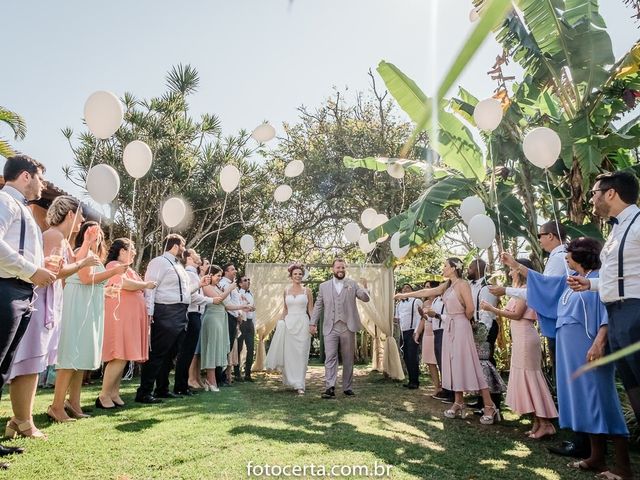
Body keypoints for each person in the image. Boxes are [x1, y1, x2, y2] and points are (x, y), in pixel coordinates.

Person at [506, 240, 632, 480]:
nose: (565, 257)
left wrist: (599, 342)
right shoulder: (571, 279)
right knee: (585, 401)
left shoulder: (599, 279)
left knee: (602, 400)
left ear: (582, 255)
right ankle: (596, 457)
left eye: (569, 253)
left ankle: (623, 467)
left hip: (590, 349)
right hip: (570, 352)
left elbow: (609, 311)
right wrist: (514, 265)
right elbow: (542, 284)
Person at [7, 196, 100, 438]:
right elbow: (53, 272)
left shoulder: (63, 240)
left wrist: (86, 249)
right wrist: (82, 264)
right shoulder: (54, 237)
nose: (81, 221)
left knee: (34, 364)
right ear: (70, 214)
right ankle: (22, 419)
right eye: (80, 216)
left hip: (51, 302)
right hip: (40, 304)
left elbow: (66, 269)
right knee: (29, 362)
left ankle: (20, 420)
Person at [569, 171, 640, 428]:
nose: (591, 200)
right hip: (616, 314)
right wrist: (590, 283)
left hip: (635, 312)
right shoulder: (614, 231)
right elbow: (621, 278)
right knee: (632, 385)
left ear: (611, 193)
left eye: (593, 193)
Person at [396, 258, 499, 425]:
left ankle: (489, 405)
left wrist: (461, 324)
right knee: (452, 364)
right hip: (449, 326)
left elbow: (470, 309)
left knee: (469, 363)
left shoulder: (462, 284)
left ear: (453, 268)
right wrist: (404, 295)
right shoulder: (447, 286)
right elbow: (426, 293)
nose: (442, 268)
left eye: (445, 266)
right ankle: (458, 402)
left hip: (460, 326)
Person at [0, 155, 55, 467]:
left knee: (4, 368)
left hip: (21, 291)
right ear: (25, 175)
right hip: (5, 288)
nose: (43, 185)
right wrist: (31, 270)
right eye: (40, 178)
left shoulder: (22, 209)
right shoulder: (5, 202)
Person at [50, 221, 128, 422]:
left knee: (81, 356)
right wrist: (113, 272)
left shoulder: (95, 256)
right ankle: (56, 405)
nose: (98, 235)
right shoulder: (81, 252)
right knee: (71, 354)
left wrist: (105, 291)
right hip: (77, 305)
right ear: (85, 234)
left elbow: (91, 283)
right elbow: (85, 279)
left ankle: (73, 403)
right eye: (93, 232)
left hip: (89, 304)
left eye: (100, 232)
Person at [480, 258, 558, 439]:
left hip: (526, 337)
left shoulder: (526, 291)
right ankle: (537, 423)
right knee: (525, 380)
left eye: (512, 270)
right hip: (519, 338)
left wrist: (493, 309)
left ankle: (546, 423)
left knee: (532, 379)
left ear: (521, 271)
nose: (510, 273)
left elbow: (516, 315)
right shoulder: (517, 293)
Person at [97, 239, 157, 409]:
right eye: (131, 249)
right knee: (118, 354)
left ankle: (114, 392)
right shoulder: (113, 266)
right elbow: (124, 284)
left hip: (129, 317)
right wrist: (146, 284)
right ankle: (103, 395)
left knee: (123, 357)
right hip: (119, 316)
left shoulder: (127, 268)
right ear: (121, 251)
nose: (134, 252)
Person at [136, 234, 191, 404]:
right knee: (158, 353)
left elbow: (183, 291)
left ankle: (162, 388)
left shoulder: (178, 265)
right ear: (175, 246)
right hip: (165, 311)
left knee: (171, 353)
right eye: (183, 245)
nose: (184, 249)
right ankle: (144, 392)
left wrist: (200, 285)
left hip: (180, 312)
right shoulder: (158, 262)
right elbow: (150, 287)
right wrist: (149, 312)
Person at [310, 258, 370, 398]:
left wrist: (365, 286)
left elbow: (365, 298)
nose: (341, 270)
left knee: (348, 358)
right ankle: (330, 387)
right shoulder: (323, 286)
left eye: (343, 267)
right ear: (333, 269)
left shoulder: (352, 284)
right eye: (338, 267)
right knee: (330, 357)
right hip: (330, 327)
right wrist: (312, 323)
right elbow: (318, 305)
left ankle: (347, 387)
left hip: (348, 327)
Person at [265, 263, 313, 394]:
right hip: (289, 323)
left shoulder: (307, 291)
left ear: (302, 276)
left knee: (301, 353)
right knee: (290, 354)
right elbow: (285, 309)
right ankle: (292, 381)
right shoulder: (286, 291)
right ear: (291, 276)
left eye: (300, 274)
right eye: (295, 274)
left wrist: (312, 324)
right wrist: (280, 322)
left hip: (303, 323)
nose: (298, 276)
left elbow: (311, 309)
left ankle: (300, 383)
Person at [200, 265, 249, 392]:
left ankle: (211, 379)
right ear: (210, 275)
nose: (219, 279)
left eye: (220, 276)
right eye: (217, 276)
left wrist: (243, 307)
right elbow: (218, 300)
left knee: (218, 349)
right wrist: (230, 288)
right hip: (211, 319)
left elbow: (227, 305)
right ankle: (211, 380)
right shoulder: (206, 286)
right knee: (211, 348)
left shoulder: (218, 287)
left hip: (222, 319)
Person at [174, 248, 212, 396]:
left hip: (196, 313)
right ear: (189, 257)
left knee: (189, 352)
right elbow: (192, 297)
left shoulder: (194, 274)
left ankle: (183, 385)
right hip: (191, 314)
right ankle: (181, 385)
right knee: (186, 352)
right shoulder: (190, 274)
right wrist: (211, 300)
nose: (199, 256)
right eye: (196, 254)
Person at [394, 284, 422, 389]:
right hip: (403, 332)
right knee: (406, 356)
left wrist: (416, 332)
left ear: (412, 290)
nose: (405, 289)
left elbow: (420, 318)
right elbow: (397, 319)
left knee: (412, 356)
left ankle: (415, 381)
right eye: (403, 288)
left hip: (413, 332)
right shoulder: (398, 304)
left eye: (408, 288)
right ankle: (410, 380)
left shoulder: (416, 301)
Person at [414, 282, 440, 395]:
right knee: (430, 362)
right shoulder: (425, 303)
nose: (426, 289)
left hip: (438, 332)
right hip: (427, 334)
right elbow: (423, 320)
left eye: (428, 287)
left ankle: (447, 387)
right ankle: (437, 387)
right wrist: (418, 333)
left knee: (441, 361)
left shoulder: (441, 301)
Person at [236, 275, 256, 382]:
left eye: (248, 280)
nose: (248, 281)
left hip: (250, 323)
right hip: (241, 322)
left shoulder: (251, 294)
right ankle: (237, 373)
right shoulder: (237, 294)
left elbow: (253, 310)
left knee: (251, 348)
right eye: (245, 280)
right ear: (240, 283)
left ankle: (248, 373)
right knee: (238, 348)